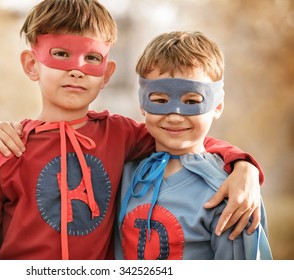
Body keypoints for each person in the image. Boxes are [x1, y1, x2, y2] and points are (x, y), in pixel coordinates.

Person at [0, 0, 263, 260]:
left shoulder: (119, 135)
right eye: (60, 54)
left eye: (92, 58)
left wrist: (243, 166)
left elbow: (180, 136)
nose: (77, 69)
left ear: (107, 73)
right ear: (32, 64)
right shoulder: (3, 151)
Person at [115, 31, 272, 260]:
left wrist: (245, 167)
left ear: (217, 105)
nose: (175, 115)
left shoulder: (231, 194)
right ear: (142, 104)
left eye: (192, 101)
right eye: (160, 101)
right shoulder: (123, 173)